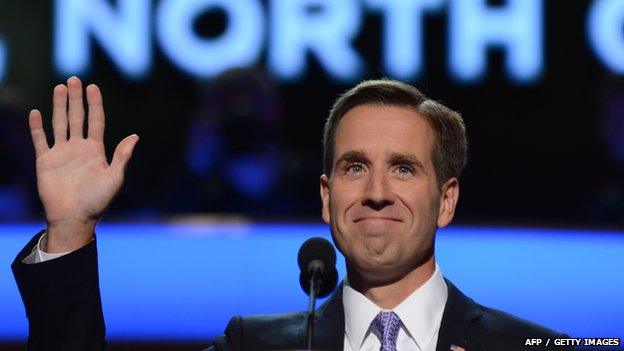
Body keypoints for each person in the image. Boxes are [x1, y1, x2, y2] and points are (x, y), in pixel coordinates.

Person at [11, 77, 570, 351]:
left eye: (403, 168)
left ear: (446, 199)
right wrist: (70, 230)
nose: (376, 192)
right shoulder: (251, 348)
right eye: (354, 168)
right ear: (326, 197)